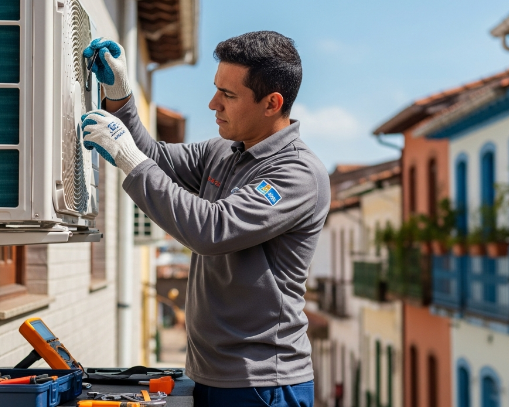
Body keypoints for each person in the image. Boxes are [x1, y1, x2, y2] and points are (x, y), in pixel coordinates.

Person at [81, 31, 330, 407]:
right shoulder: (224, 151)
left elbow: (212, 230)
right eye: (217, 89)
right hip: (209, 374)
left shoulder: (297, 173)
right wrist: (120, 96)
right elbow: (154, 158)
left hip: (263, 383)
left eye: (228, 95)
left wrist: (128, 157)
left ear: (272, 103)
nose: (214, 104)